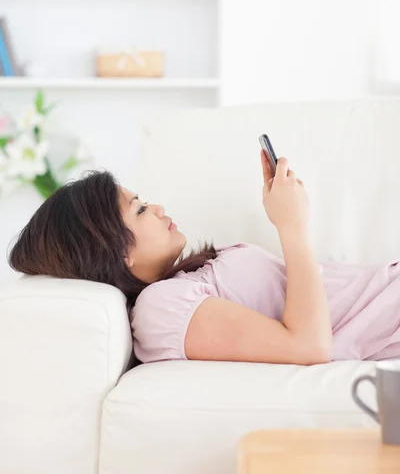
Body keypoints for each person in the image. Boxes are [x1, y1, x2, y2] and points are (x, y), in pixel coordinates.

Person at [8, 151, 400, 366]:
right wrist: (292, 226)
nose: (158, 208)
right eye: (140, 209)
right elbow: (309, 348)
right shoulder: (159, 309)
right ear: (117, 250)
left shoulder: (183, 284)